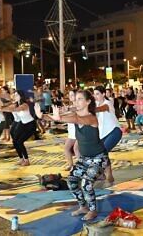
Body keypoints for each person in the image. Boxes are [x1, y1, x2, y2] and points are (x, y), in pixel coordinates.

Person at [35, 90, 108, 221]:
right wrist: (42, 116)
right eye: (76, 99)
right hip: (85, 159)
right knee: (72, 181)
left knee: (86, 183)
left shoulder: (91, 117)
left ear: (88, 102)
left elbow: (76, 119)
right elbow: (59, 116)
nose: (76, 101)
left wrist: (59, 118)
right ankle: (83, 206)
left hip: (98, 158)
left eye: (80, 99)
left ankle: (93, 210)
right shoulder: (74, 114)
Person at [0, 90, 36, 166]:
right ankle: (21, 159)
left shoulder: (24, 105)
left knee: (20, 142)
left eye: (17, 95)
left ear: (21, 96)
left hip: (31, 125)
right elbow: (8, 106)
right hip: (23, 124)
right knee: (15, 141)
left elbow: (15, 109)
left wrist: (1, 109)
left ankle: (27, 160)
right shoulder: (16, 104)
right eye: (15, 95)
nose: (15, 96)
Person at [93, 86, 122, 183]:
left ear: (103, 94)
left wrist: (90, 109)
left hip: (114, 131)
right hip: (102, 133)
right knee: (101, 153)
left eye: (97, 94)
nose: (95, 96)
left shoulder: (108, 103)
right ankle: (106, 174)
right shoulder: (96, 103)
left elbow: (101, 109)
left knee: (102, 152)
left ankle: (107, 174)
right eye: (94, 94)